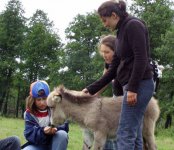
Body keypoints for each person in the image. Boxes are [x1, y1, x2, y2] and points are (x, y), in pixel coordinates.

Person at [82, 1, 154, 150]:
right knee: (133, 133)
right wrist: (90, 89)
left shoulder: (133, 25)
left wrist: (133, 89)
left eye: (105, 20)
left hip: (140, 85)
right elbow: (113, 70)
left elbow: (141, 58)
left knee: (125, 132)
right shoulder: (121, 32)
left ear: (114, 15)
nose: (104, 24)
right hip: (133, 86)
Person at [83, 35, 122, 150]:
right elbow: (104, 81)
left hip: (126, 101)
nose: (104, 55)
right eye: (102, 52)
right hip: (115, 100)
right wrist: (90, 96)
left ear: (116, 51)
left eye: (107, 52)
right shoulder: (108, 63)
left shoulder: (123, 64)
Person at [22, 80, 69, 150]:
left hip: (54, 142)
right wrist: (43, 131)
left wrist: (54, 129)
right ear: (33, 100)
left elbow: (64, 125)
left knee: (62, 134)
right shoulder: (29, 113)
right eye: (38, 99)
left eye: (44, 98)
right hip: (38, 145)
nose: (42, 102)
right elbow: (29, 133)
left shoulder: (56, 107)